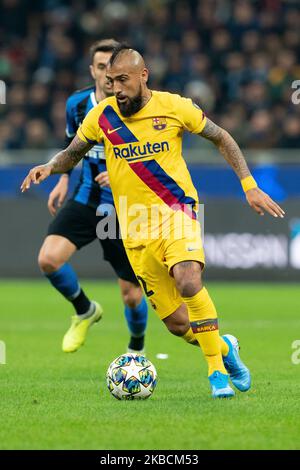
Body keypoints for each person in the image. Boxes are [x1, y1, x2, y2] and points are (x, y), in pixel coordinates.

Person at [21, 45, 285, 398]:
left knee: (189, 279)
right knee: (178, 325)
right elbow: (73, 153)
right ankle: (225, 349)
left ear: (143, 75)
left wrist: (249, 186)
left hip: (178, 212)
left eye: (123, 80)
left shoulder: (175, 106)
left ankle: (216, 373)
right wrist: (51, 167)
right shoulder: (101, 116)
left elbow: (221, 137)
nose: (117, 88)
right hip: (133, 229)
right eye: (111, 81)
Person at [37, 40, 148, 354]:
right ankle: (85, 310)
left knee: (131, 295)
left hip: (123, 210)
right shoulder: (77, 104)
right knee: (48, 259)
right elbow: (72, 146)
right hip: (86, 198)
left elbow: (152, 156)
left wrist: (119, 174)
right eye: (100, 68)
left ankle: (136, 351)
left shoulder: (137, 107)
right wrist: (61, 181)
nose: (106, 77)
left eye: (112, 70)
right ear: (93, 70)